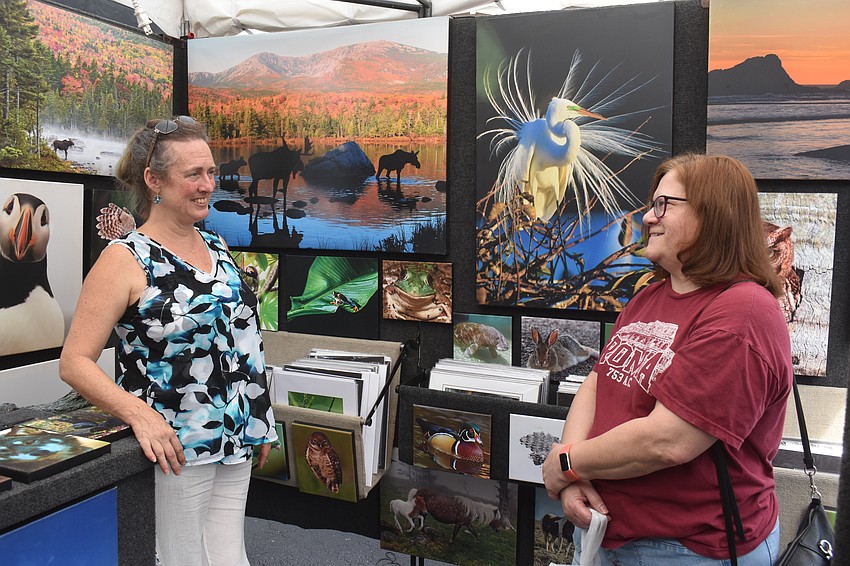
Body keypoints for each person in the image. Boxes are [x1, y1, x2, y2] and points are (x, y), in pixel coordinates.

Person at [542, 153, 793, 565]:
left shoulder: (743, 313)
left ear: (713, 215)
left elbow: (669, 441)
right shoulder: (649, 297)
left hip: (685, 549)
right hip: (603, 534)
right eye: (650, 204)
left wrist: (566, 463)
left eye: (664, 205)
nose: (646, 218)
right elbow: (597, 383)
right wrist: (571, 479)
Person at [59, 116, 277, 566]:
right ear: (154, 180)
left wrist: (260, 417)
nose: (208, 185)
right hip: (173, 448)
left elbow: (242, 339)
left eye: (211, 172)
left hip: (236, 438)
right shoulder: (124, 260)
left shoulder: (216, 245)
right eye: (193, 174)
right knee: (180, 560)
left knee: (230, 557)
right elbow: (74, 361)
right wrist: (141, 417)